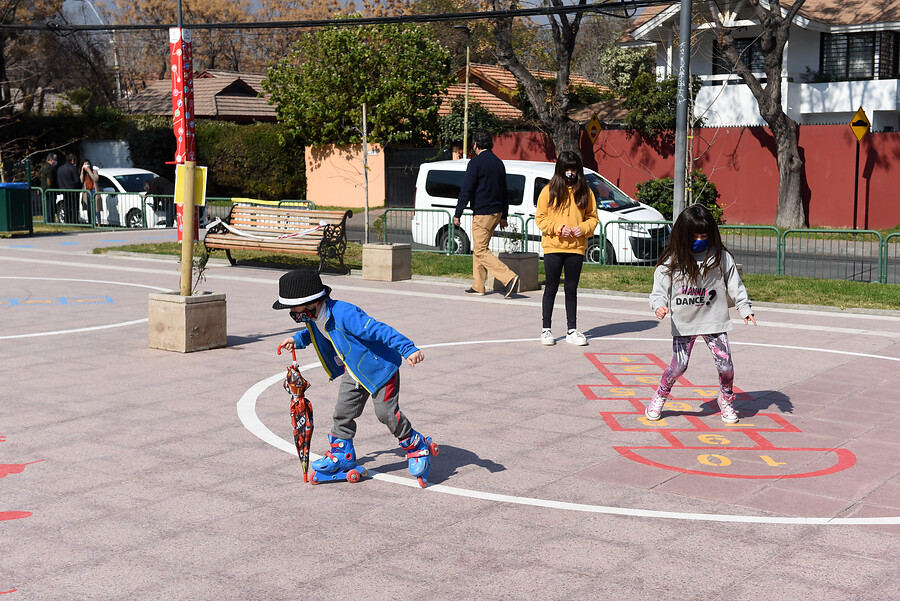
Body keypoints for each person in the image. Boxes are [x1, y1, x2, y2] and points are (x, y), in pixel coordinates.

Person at [274, 269, 438, 486]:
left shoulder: (344, 314)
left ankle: (416, 446)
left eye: (293, 308)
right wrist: (297, 339)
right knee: (342, 413)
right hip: (354, 371)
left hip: (381, 370)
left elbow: (379, 330)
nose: (291, 313)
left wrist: (408, 348)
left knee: (386, 413)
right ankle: (342, 453)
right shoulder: (315, 316)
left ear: (311, 302)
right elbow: (315, 333)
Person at [647, 204, 757, 424]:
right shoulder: (674, 259)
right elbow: (659, 287)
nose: (699, 239)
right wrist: (659, 305)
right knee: (679, 366)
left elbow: (735, 284)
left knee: (725, 365)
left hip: (714, 320)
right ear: (683, 235)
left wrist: (745, 308)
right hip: (685, 321)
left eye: (704, 235)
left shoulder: (720, 257)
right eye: (694, 235)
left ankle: (726, 398)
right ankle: (660, 393)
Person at [535, 151, 599, 347]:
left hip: (576, 248)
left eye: (573, 169)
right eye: (567, 169)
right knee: (551, 288)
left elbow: (593, 217)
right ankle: (546, 329)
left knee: (571, 289)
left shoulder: (585, 192)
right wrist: (557, 228)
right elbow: (540, 218)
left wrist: (583, 229)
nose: (570, 173)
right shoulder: (549, 190)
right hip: (553, 246)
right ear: (560, 170)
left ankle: (572, 329)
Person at [453, 131, 519, 298]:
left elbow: (466, 189)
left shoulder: (475, 163)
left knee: (481, 250)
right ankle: (478, 286)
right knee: (479, 247)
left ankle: (508, 277)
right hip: (496, 212)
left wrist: (458, 212)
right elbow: (505, 191)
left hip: (483, 212)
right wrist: (504, 215)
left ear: (476, 145)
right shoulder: (498, 163)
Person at [56, 154, 80, 223]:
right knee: (74, 207)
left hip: (63, 191)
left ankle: (66, 220)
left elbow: (58, 180)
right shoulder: (73, 168)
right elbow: (77, 180)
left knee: (66, 207)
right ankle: (74, 221)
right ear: (72, 161)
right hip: (73, 191)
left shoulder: (60, 169)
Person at [80, 160, 100, 226]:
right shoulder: (84, 173)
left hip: (94, 190)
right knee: (89, 207)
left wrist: (89, 171)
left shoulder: (94, 171)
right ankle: (91, 223)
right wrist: (82, 171)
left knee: (96, 208)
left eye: (88, 164)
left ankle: (98, 222)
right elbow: (81, 180)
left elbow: (95, 179)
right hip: (87, 191)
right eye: (85, 164)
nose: (86, 165)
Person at [39, 153, 58, 223]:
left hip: (44, 189)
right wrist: (51, 187)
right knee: (50, 207)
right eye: (55, 160)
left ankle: (47, 220)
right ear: (51, 160)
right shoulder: (50, 168)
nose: (55, 162)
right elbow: (50, 180)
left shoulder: (43, 167)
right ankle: (50, 220)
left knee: (47, 206)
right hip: (49, 190)